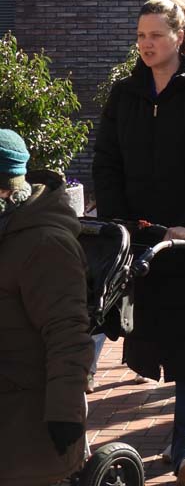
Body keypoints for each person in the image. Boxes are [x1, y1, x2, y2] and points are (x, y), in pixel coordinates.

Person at [93, 0, 185, 486]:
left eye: (156, 35)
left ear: (181, 36)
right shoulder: (125, 93)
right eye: (141, 35)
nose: (146, 44)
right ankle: (184, 441)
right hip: (141, 238)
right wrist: (120, 224)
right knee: (157, 336)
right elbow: (106, 162)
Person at [1, 129, 94, 486]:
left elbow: (68, 333)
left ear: (6, 189)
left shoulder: (45, 244)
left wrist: (65, 413)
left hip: (23, 414)